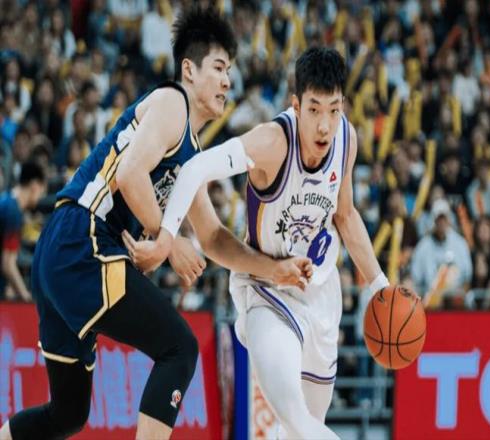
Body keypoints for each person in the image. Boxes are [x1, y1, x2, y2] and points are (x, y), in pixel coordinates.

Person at [0, 7, 311, 440]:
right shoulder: (172, 103)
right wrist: (169, 240)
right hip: (82, 237)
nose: (227, 80)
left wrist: (274, 269)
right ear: (189, 70)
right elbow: (130, 174)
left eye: (229, 71)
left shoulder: (193, 153)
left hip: (61, 255)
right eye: (218, 67)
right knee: (179, 347)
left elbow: (213, 238)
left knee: (67, 414)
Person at [125, 47, 391, 439]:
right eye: (314, 110)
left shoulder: (346, 139)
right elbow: (195, 168)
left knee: (304, 430)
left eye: (334, 110)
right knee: (297, 419)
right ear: (296, 105)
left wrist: (380, 285)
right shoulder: (272, 142)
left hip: (320, 295)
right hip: (266, 291)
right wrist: (167, 238)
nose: (324, 125)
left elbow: (346, 215)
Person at [0, 161, 46, 302]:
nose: (41, 197)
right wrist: (25, 296)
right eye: (42, 191)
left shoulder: (6, 201)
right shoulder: (13, 211)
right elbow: (7, 264)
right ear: (35, 186)